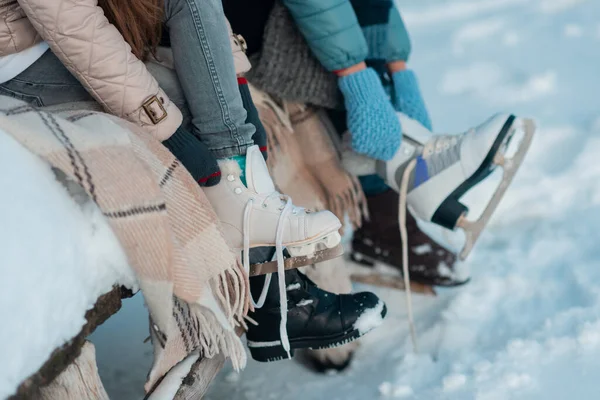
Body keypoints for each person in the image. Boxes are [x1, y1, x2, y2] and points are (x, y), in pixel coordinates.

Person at [0, 0, 388, 362]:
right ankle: (278, 297)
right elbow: (71, 21)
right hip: (17, 55)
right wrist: (167, 130)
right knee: (179, 102)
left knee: (205, 85)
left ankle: (270, 271)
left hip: (61, 33)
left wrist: (236, 92)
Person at [223, 0, 532, 285]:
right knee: (316, 51)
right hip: (242, 28)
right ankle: (407, 175)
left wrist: (398, 70)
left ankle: (406, 174)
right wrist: (355, 75)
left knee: (350, 55)